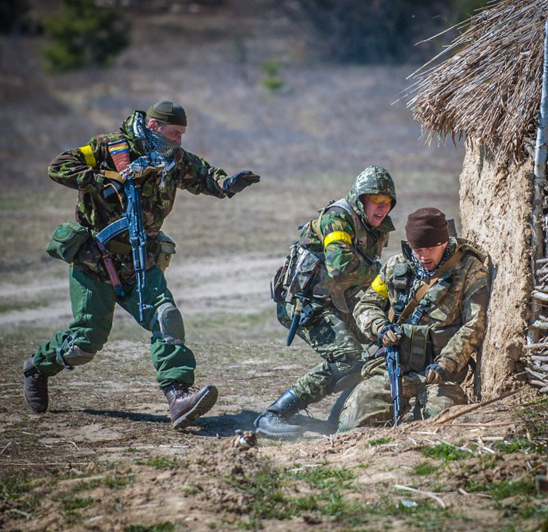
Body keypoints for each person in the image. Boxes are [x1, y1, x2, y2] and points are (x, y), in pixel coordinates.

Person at [23, 100, 260, 429]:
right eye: (174, 132)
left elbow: (203, 174)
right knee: (85, 342)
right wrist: (102, 180)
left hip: (141, 257)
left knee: (166, 318)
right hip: (96, 258)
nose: (178, 139)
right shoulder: (108, 146)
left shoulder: (172, 159)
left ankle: (178, 396)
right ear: (153, 126)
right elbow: (59, 165)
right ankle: (38, 367)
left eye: (182, 134)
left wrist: (226, 184)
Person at [255, 165, 396, 438]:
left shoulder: (377, 229)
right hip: (303, 303)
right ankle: (272, 416)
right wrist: (385, 276)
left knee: (384, 343)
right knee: (347, 357)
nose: (382, 208)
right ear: (360, 199)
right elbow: (341, 265)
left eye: (387, 202)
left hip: (336, 301)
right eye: (376, 201)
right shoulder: (338, 218)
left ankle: (341, 417)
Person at [337, 207, 490, 430]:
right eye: (417, 249)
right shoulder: (396, 267)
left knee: (439, 423)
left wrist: (446, 362)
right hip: (394, 368)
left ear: (445, 242)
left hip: (439, 374)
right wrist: (378, 326)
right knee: (353, 422)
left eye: (431, 248)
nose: (423, 256)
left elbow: (474, 323)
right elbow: (366, 304)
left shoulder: (470, 270)